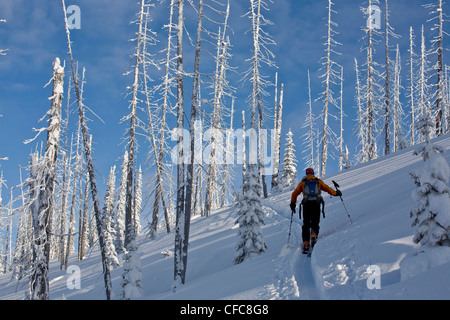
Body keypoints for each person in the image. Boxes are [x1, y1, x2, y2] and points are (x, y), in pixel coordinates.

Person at [290, 168, 342, 253]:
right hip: (316, 204)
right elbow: (327, 188)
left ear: (306, 174)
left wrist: (293, 203)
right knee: (315, 222)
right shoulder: (318, 181)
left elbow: (295, 193)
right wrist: (336, 193)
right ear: (313, 173)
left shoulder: (303, 182)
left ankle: (306, 243)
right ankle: (313, 234)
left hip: (306, 204)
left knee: (306, 224)